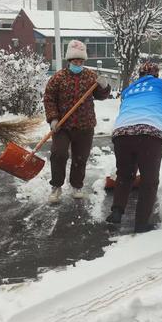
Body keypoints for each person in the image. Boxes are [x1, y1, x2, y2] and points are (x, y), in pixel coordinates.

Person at [106, 61, 162, 233]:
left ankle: (116, 212)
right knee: (149, 180)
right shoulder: (161, 85)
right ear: (156, 74)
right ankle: (141, 223)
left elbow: (125, 110)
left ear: (140, 75)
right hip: (150, 136)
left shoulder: (129, 89)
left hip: (122, 133)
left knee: (124, 175)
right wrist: (157, 119)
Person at [44, 40, 111, 203]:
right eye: (75, 61)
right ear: (69, 61)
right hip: (62, 126)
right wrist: (53, 118)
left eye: (81, 61)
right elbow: (49, 98)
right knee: (58, 154)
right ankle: (56, 186)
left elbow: (101, 96)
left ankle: (77, 186)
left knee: (80, 157)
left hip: (85, 125)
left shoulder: (90, 76)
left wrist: (104, 86)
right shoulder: (58, 77)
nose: (78, 64)